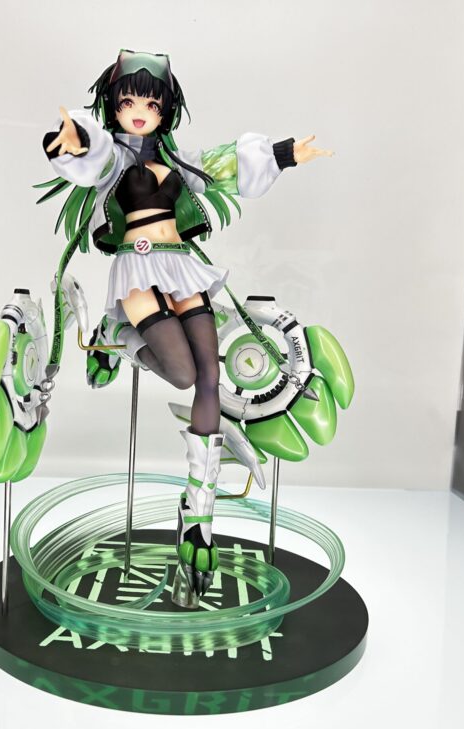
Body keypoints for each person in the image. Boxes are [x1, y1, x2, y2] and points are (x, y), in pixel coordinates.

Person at [40, 49, 331, 606]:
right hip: (136, 269)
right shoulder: (114, 160)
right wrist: (70, 140)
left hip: (180, 267)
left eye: (151, 103)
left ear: (165, 110)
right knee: (179, 373)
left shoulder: (178, 162)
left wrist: (287, 153)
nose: (139, 111)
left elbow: (226, 165)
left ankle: (198, 515)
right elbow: (91, 155)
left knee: (209, 378)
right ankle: (117, 337)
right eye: (129, 100)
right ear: (113, 105)